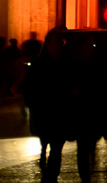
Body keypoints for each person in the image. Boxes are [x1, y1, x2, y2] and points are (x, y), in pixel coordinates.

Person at [25, 29, 74, 183]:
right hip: (43, 113)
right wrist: (34, 104)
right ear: (48, 44)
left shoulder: (67, 64)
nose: (59, 45)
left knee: (56, 148)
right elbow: (28, 89)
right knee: (45, 144)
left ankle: (51, 176)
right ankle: (46, 170)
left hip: (59, 114)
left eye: (61, 42)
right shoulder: (38, 64)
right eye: (56, 41)